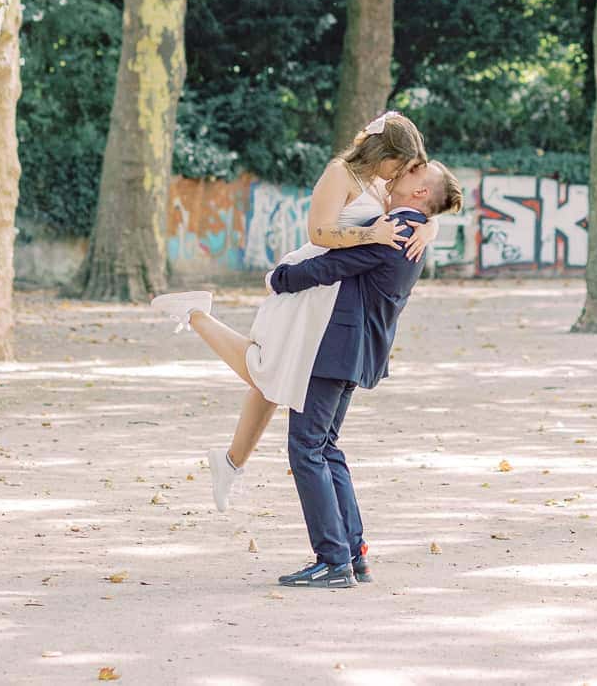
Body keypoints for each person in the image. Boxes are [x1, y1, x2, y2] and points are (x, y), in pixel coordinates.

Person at [156, 157, 463, 588]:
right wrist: (431, 225)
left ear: (419, 195)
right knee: (326, 447)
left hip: (334, 350)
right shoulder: (411, 229)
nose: (403, 171)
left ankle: (334, 560)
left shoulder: (396, 231)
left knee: (307, 449)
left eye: (414, 173)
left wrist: (279, 277)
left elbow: (330, 266)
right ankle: (353, 555)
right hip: (350, 352)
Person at [151, 111, 438, 514]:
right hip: (309, 285)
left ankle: (232, 462)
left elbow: (423, 199)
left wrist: (430, 226)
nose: (399, 175)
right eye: (399, 165)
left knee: (274, 378)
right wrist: (369, 234)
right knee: (267, 370)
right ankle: (197, 314)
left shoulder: (378, 183)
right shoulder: (341, 173)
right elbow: (318, 232)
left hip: (330, 298)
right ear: (382, 152)